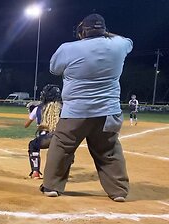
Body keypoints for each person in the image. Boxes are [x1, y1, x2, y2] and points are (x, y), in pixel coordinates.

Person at [40, 13, 133, 202]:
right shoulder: (119, 45)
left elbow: (54, 69)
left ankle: (52, 186)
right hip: (109, 112)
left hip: (76, 112)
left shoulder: (68, 48)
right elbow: (128, 41)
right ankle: (118, 191)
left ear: (83, 31)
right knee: (109, 150)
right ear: (104, 30)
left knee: (62, 146)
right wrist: (106, 33)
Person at [24, 84, 63, 179]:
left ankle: (35, 172)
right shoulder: (63, 108)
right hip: (62, 138)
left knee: (33, 145)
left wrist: (33, 114)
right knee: (66, 150)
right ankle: (62, 172)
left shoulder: (39, 108)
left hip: (46, 138)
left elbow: (26, 125)